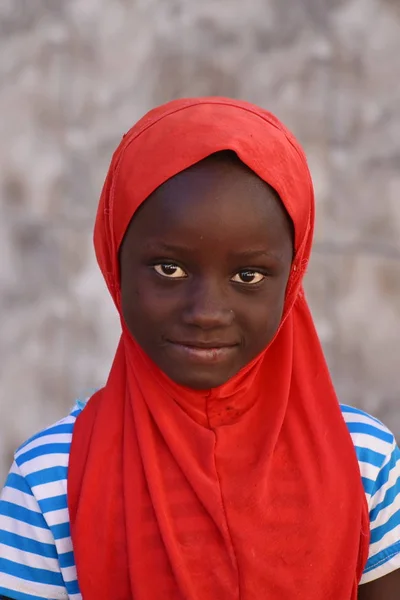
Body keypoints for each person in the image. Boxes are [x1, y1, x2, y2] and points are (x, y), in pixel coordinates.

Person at [0, 97, 399, 600]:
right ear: (114, 261)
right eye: (170, 268)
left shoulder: (364, 462)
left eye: (248, 275)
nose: (207, 311)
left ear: (292, 278)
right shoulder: (50, 482)